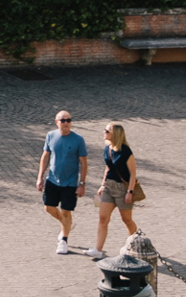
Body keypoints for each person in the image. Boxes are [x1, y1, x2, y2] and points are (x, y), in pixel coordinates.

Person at [36, 109, 90, 255]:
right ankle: (66, 225)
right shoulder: (50, 136)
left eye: (69, 120)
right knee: (49, 207)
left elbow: (84, 163)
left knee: (66, 212)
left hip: (70, 183)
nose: (66, 123)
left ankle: (64, 240)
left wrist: (82, 184)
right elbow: (45, 156)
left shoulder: (78, 140)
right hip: (52, 180)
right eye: (63, 120)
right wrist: (40, 176)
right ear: (56, 122)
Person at [91, 122, 141, 259]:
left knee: (126, 219)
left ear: (115, 134)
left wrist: (130, 192)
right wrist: (102, 185)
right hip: (108, 186)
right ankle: (98, 249)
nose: (104, 132)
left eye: (106, 131)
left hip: (122, 189)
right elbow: (108, 168)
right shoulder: (107, 148)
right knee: (102, 218)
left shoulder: (125, 151)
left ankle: (136, 245)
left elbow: (132, 173)